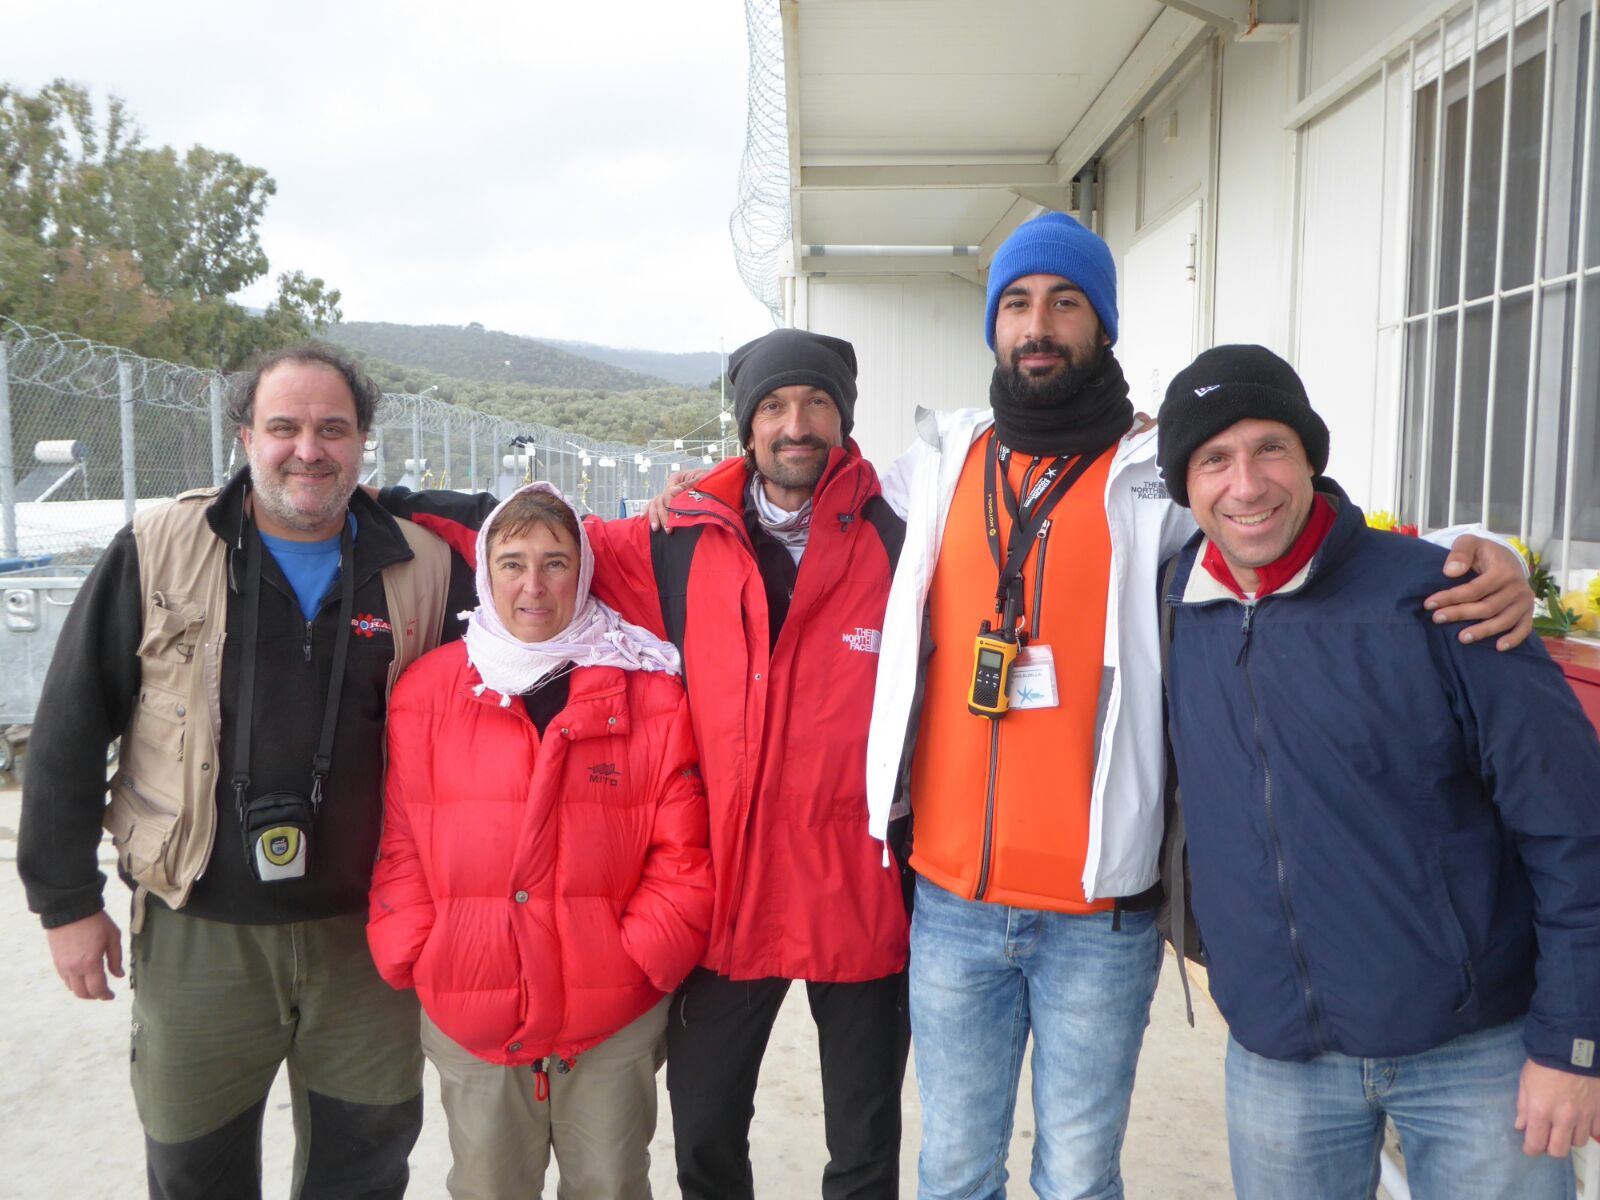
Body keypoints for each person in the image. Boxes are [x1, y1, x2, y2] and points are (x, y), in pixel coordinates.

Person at [860, 211, 1535, 1199]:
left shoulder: (1159, 480)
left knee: (1079, 1175)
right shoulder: (943, 462)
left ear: (1103, 325)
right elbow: (796, 492)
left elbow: (1310, 518)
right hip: (952, 902)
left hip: (1102, 912)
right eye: (1016, 304)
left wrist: (1494, 550)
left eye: (1064, 302)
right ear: (993, 329)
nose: (1037, 324)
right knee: (954, 1168)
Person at [380, 327, 910, 1199]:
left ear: (844, 417)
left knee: (863, 1144)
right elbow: (543, 538)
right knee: (705, 1138)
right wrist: (382, 496)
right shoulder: (678, 539)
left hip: (853, 890)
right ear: (747, 426)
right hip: (732, 905)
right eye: (773, 406)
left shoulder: (900, 539)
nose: (796, 424)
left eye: (816, 403)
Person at [17, 343, 473, 1199]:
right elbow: (72, 726)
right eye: (285, 427)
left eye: (333, 428)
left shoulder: (424, 567)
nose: (309, 449)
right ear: (244, 436)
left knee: (364, 1169)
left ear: (364, 441)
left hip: (369, 941)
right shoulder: (159, 549)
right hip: (200, 932)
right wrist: (66, 903)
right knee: (197, 1171)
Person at [1154, 343, 1600, 1200]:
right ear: (1185, 487)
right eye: (1214, 460)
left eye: (1270, 448)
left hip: (1475, 1062)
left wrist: (1573, 1043)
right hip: (1278, 1059)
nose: (1246, 484)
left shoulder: (1443, 600)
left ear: (1311, 457)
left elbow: (1573, 829)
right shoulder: (1178, 607)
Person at [368, 482, 713, 1200]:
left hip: (609, 1012)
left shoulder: (645, 690)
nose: (534, 585)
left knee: (610, 1184)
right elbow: (400, 839)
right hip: (474, 1004)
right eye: (513, 561)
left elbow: (682, 853)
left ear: (582, 573)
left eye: (556, 563)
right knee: (490, 1186)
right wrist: (418, 947)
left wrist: (641, 957)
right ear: (485, 574)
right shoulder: (429, 691)